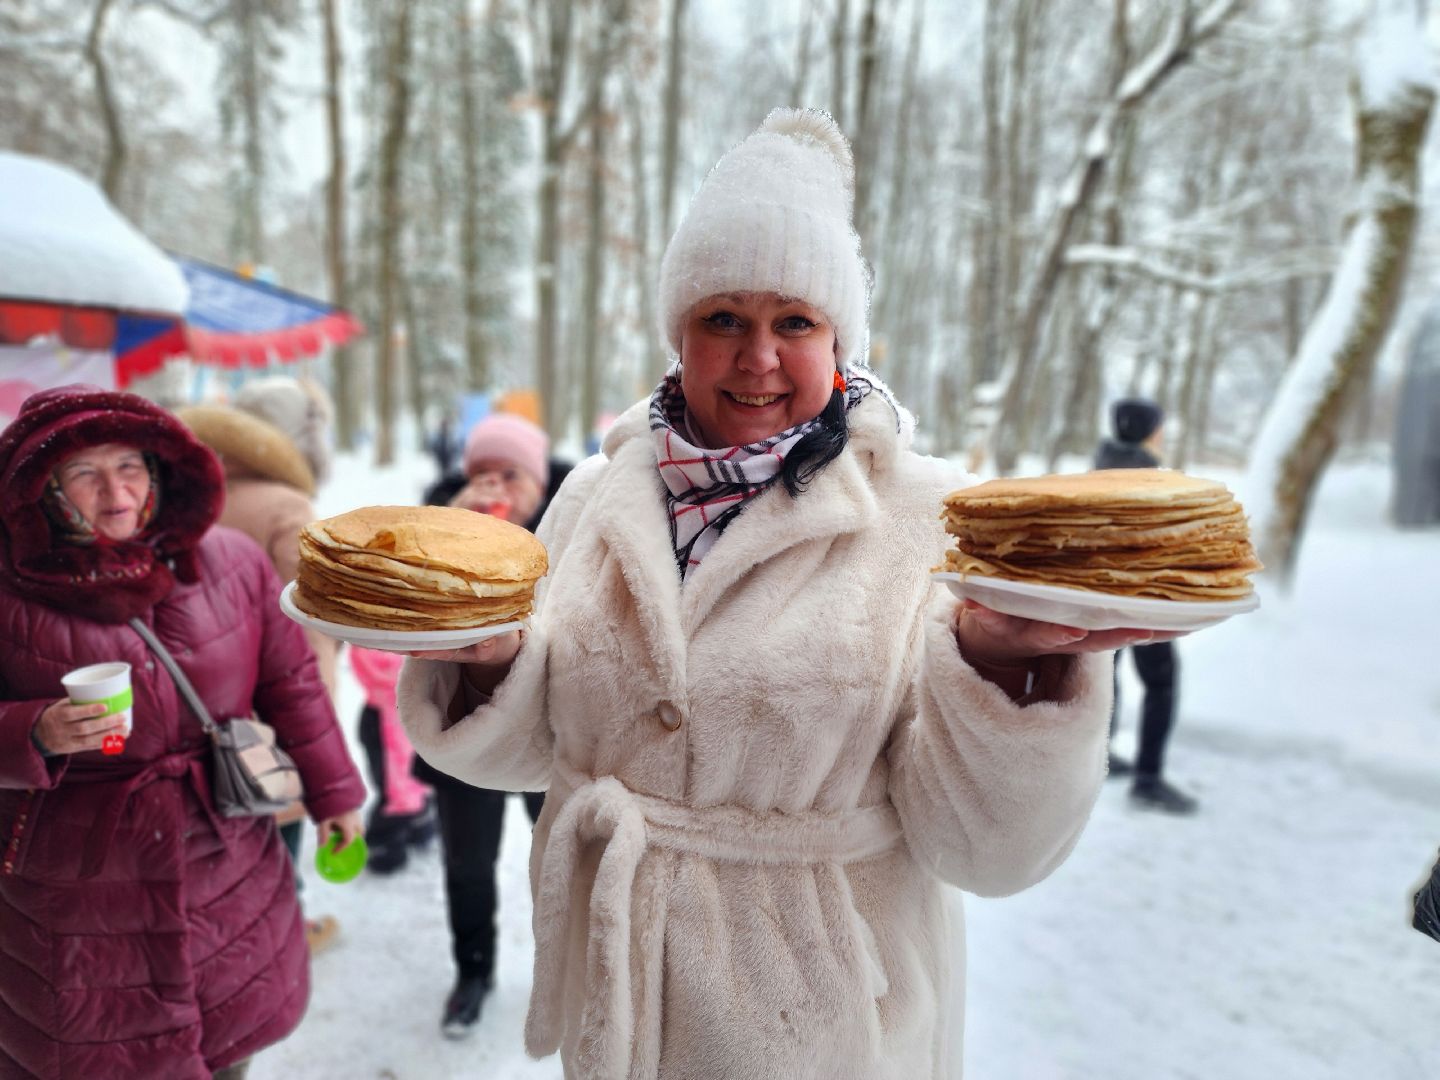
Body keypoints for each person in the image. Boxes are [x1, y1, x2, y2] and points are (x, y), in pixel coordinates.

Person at [399, 109, 1172, 1079]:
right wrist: (489, 669)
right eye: (723, 319)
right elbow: (540, 752)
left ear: (839, 338)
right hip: (628, 1002)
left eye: (793, 322)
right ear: (677, 332)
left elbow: (989, 852)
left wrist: (1007, 669)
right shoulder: (597, 499)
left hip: (830, 1023)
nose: (757, 356)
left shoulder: (930, 515)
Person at [0, 386, 367, 1080]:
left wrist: (334, 796)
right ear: (42, 489)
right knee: (99, 1054)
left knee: (229, 1042)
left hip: (223, 860)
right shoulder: (8, 587)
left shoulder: (229, 560)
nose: (116, 494)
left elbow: (291, 685)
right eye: (84, 473)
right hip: (79, 895)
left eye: (130, 466)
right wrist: (35, 730)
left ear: (159, 469)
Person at [178, 376, 350, 948]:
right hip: (280, 699)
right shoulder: (288, 506)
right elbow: (312, 617)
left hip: (203, 695)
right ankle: (283, 932)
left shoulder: (198, 494)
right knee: (281, 815)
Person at [415, 412, 562, 1039]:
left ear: (538, 482)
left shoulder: (575, 529)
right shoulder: (438, 527)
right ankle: (472, 972)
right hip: (461, 730)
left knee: (559, 861)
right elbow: (408, 616)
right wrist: (454, 523)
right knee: (468, 865)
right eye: (482, 473)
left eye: (511, 474)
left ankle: (565, 971)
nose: (496, 484)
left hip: (547, 732)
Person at [1094, 397, 1198, 814]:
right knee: (1161, 682)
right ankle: (1148, 778)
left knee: (1108, 670)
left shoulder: (1101, 465)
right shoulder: (1151, 476)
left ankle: (1101, 757)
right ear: (1148, 431)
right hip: (1143, 593)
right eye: (1159, 426)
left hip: (1098, 590)